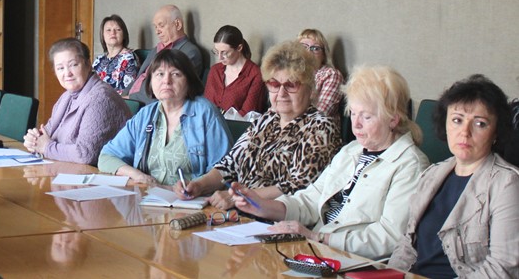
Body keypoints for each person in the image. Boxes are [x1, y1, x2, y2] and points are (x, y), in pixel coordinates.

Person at [231, 66, 429, 260]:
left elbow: (389, 237)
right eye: (353, 113)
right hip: (318, 251)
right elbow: (310, 200)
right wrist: (262, 206)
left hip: (356, 262)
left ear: (393, 119)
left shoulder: (410, 164)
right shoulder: (351, 150)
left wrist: (319, 238)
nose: (356, 124)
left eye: (366, 116)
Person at [177, 40, 340, 209]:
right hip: (242, 212)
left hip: (278, 216)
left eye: (291, 85)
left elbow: (298, 186)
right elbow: (229, 165)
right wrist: (199, 185)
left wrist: (237, 197)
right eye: (274, 84)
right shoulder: (266, 119)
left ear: (310, 89)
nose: (281, 93)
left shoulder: (321, 127)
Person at [389, 75, 519, 278]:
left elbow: (502, 268)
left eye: (480, 124)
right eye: (457, 120)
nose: (465, 132)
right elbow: (407, 245)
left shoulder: (507, 185)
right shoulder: (431, 174)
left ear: (496, 133)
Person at [98, 49, 231, 185]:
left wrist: (197, 187)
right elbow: (107, 156)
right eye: (160, 74)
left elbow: (225, 170)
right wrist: (137, 175)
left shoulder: (205, 113)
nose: (166, 81)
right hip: (147, 194)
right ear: (150, 82)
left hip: (191, 197)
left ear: (189, 81)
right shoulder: (145, 115)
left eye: (175, 74)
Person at [24, 38, 131, 165]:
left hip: (100, 174)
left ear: (88, 64)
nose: (67, 73)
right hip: (67, 170)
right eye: (60, 68)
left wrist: (47, 147)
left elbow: (85, 154)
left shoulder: (100, 98)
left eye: (73, 65)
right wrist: (34, 139)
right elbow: (48, 132)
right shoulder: (66, 96)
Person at [126, 5, 203, 104]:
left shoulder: (189, 52)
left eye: (161, 25)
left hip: (147, 105)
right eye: (155, 27)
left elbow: (170, 91)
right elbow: (139, 78)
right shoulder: (157, 49)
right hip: (129, 101)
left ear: (178, 24)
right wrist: (122, 96)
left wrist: (130, 98)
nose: (157, 31)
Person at [201, 25, 265, 117]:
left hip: (235, 125)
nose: (220, 58)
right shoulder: (215, 70)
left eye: (224, 52)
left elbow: (247, 114)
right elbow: (205, 105)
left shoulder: (255, 74)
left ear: (239, 48)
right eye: (216, 52)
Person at [297, 29, 344, 122]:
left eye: (315, 48)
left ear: (324, 55)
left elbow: (321, 113)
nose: (308, 52)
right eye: (303, 47)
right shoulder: (290, 73)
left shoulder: (331, 74)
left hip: (315, 127)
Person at [92, 15, 139, 94]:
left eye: (118, 29)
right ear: (103, 35)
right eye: (108, 30)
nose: (113, 33)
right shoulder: (99, 60)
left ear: (124, 35)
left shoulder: (129, 58)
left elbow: (126, 92)